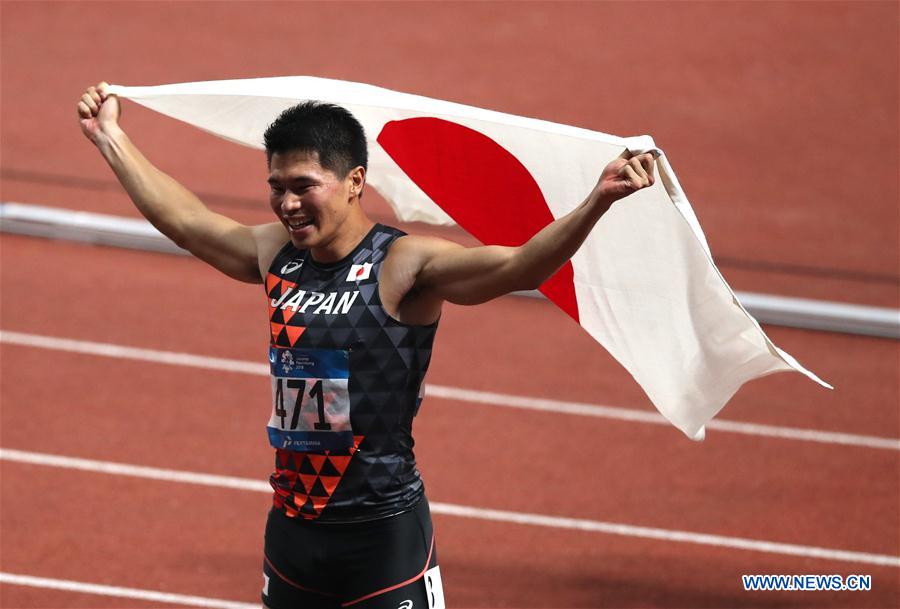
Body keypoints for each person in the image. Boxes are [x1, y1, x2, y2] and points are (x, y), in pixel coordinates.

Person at [77, 81, 655, 609]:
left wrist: (597, 200)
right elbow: (186, 221)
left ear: (355, 181)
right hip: (293, 532)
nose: (287, 204)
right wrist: (110, 138)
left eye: (304, 187)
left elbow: (519, 266)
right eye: (276, 188)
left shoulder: (404, 264)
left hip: (384, 540)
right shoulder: (276, 255)